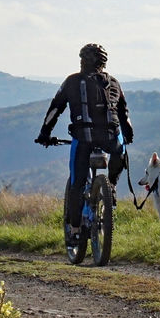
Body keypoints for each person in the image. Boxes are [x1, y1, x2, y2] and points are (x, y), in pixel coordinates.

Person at [35, 43, 133, 241]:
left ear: (82, 61)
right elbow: (124, 113)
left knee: (77, 183)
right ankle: (112, 185)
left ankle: (75, 229)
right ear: (103, 63)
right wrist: (128, 135)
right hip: (110, 139)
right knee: (120, 147)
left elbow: (55, 109)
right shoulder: (114, 83)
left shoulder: (72, 81)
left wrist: (45, 133)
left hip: (83, 139)